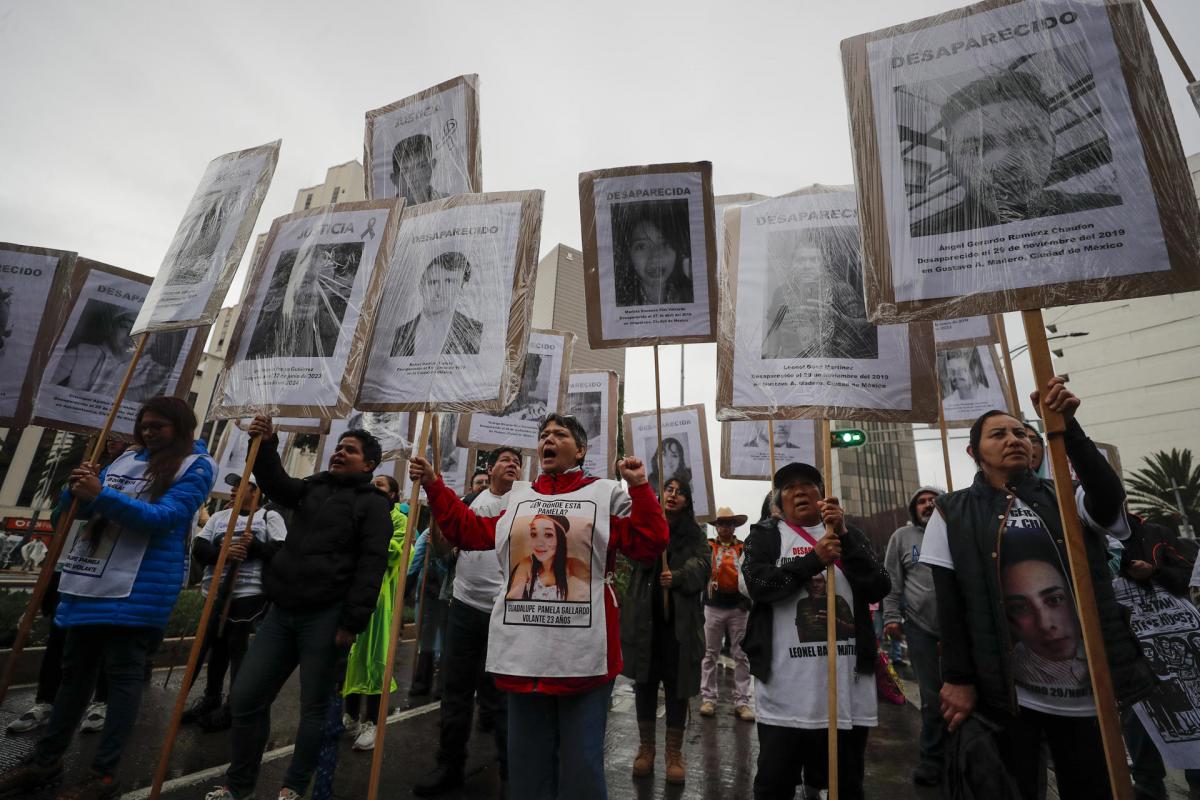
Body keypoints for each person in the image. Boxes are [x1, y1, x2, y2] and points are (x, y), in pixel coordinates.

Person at [408, 413, 668, 799]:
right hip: (524, 655)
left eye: (559, 434)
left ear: (580, 450)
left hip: (584, 658)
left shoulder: (604, 493)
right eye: (544, 434)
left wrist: (641, 487)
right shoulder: (518, 497)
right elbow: (467, 530)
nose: (548, 438)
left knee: (580, 768)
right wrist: (434, 484)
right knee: (527, 771)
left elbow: (649, 541)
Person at [922, 377, 1157, 800]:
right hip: (1008, 693)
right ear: (974, 452)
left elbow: (1108, 497)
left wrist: (1070, 427)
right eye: (999, 434)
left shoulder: (1066, 498)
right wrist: (958, 679)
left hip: (1088, 690)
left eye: (1022, 433)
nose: (1014, 440)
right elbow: (951, 602)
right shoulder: (951, 511)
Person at [0, 397, 216, 799]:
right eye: (144, 425)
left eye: (159, 426)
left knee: (121, 685)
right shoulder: (125, 460)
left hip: (138, 591)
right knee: (72, 680)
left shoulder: (197, 465)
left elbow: (163, 519)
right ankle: (46, 762)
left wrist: (101, 494)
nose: (149, 432)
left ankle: (103, 775)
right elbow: (74, 516)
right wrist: (75, 490)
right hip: (90, 581)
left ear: (182, 428)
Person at [204, 418, 392, 800]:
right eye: (339, 447)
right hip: (282, 612)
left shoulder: (373, 506)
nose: (340, 452)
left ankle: (293, 787)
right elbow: (276, 484)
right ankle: (238, 786)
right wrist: (268, 444)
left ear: (369, 465)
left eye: (350, 450)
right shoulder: (314, 487)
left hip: (328, 616)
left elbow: (371, 566)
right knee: (246, 697)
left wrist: (352, 622)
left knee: (314, 709)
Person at [741, 462, 890, 800]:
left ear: (823, 495)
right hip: (785, 692)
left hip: (846, 691)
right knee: (775, 783)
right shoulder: (766, 536)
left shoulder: (852, 535)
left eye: (808, 484)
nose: (800, 491)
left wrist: (845, 538)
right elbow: (759, 584)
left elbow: (879, 585)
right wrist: (812, 559)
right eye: (789, 487)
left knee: (844, 784)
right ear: (780, 499)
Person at [414, 446, 522, 796]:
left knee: (504, 698)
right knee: (455, 691)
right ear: (489, 469)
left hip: (505, 614)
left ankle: (510, 775)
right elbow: (446, 550)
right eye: (506, 460)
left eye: (518, 462)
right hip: (463, 606)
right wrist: (438, 527)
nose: (514, 465)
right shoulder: (470, 501)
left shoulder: (526, 503)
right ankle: (449, 766)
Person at [6, 438, 127, 738]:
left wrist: (102, 494)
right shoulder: (88, 470)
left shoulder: (141, 471)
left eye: (124, 437)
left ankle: (101, 701)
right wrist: (72, 493)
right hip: (70, 563)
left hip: (109, 567)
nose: (115, 441)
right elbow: (61, 519)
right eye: (111, 437)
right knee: (60, 636)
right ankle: (46, 701)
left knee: (104, 636)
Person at [919, 71, 1121, 236]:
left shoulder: (1109, 212)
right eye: (976, 147)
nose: (1006, 163)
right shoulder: (925, 240)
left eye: (1027, 138)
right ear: (951, 162)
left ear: (1052, 144)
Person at [621, 478, 709, 784]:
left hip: (680, 624)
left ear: (687, 500)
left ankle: (674, 753)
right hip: (646, 619)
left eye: (680, 491)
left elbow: (704, 565)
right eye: (668, 490)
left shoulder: (695, 532)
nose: (673, 495)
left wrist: (680, 576)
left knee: (677, 684)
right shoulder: (646, 523)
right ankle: (646, 749)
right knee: (644, 683)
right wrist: (652, 542)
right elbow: (632, 555)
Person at [184, 480, 287, 731]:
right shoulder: (220, 516)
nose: (233, 490)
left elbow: (281, 551)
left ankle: (235, 705)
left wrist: (253, 547)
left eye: (241, 487)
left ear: (256, 491)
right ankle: (211, 698)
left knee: (236, 646)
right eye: (233, 486)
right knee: (215, 647)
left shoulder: (267, 516)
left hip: (249, 592)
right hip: (214, 591)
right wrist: (224, 552)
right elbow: (200, 546)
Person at [1115, 513, 1200, 799]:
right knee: (1138, 715)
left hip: (1179, 642)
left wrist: (1153, 572)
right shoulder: (1088, 540)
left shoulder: (1155, 533)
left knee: (1192, 712)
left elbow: (1188, 576)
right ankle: (1149, 787)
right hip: (1128, 649)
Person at [882, 486, 946, 787]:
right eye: (921, 501)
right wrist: (892, 617)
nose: (927, 504)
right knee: (932, 699)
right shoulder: (902, 538)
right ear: (913, 509)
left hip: (960, 629)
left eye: (933, 500)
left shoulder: (956, 531)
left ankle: (966, 757)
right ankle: (933, 759)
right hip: (921, 628)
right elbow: (892, 580)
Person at [341, 474, 409, 752]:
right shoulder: (358, 513)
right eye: (374, 483)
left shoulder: (400, 521)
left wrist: (365, 545)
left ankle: (372, 722)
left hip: (379, 600)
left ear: (393, 495)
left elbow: (394, 552)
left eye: (381, 484)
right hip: (350, 593)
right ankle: (351, 716)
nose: (374, 487)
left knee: (376, 659)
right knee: (350, 656)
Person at [699, 506, 754, 722]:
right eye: (721, 523)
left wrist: (746, 601)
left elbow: (750, 575)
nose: (725, 527)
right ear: (716, 526)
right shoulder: (707, 547)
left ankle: (742, 702)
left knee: (741, 655)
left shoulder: (743, 548)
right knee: (710, 653)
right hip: (712, 607)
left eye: (729, 523)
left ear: (734, 526)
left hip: (738, 608)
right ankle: (708, 698)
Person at [390, 252, 482, 357]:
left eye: (449, 282)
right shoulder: (399, 334)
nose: (440, 291)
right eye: (433, 282)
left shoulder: (475, 332)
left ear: (461, 289)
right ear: (421, 287)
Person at [613, 203, 693, 307]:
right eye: (642, 246)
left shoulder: (692, 296)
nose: (655, 257)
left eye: (665, 244)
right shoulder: (617, 303)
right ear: (628, 254)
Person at [50, 303, 136, 395]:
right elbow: (43, 386)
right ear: (112, 327)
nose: (133, 335)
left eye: (143, 331)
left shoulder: (150, 372)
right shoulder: (80, 354)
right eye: (125, 326)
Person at [505, 513, 590, 601]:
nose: (539, 543)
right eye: (534, 534)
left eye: (548, 535)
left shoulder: (572, 565)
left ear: (560, 539)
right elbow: (513, 597)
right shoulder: (527, 564)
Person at [390, 133, 446, 206]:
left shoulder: (449, 203)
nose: (414, 177)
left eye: (421, 167)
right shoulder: (386, 213)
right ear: (394, 179)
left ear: (432, 166)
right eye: (405, 171)